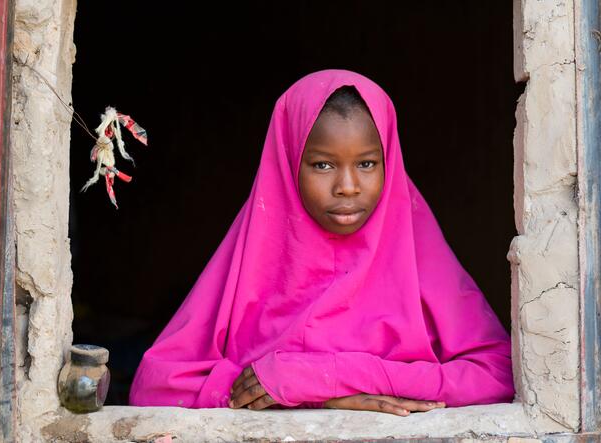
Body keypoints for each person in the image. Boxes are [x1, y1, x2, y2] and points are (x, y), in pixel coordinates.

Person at [129, 69, 514, 415]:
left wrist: (325, 378)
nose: (347, 187)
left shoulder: (416, 249)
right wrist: (308, 393)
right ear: (288, 161)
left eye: (366, 163)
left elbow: (498, 375)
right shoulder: (254, 252)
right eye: (322, 165)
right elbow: (155, 385)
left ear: (389, 163)